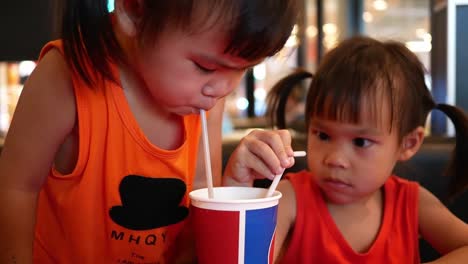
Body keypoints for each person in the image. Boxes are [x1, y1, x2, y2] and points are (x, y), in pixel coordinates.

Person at [0, 0, 300, 263]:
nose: (225, 89)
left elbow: (197, 197)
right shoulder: (68, 74)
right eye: (206, 67)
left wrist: (235, 184)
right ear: (134, 9)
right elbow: (15, 188)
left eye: (244, 69)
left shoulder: (205, 99)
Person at [223, 36, 468, 263]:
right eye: (323, 135)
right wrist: (237, 189)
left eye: (361, 142)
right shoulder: (290, 199)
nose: (335, 159)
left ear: (408, 143)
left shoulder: (412, 203)